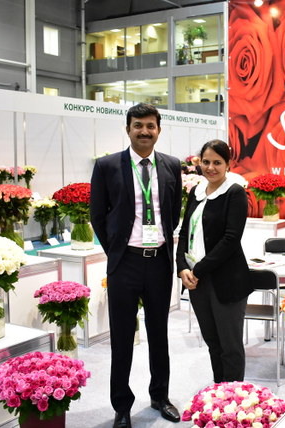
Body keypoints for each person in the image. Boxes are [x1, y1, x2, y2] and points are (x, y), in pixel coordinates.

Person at [90, 103, 182, 428]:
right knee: (122, 337)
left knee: (159, 334)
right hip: (125, 264)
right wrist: (116, 251)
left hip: (158, 263)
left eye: (150, 126)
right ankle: (122, 406)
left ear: (159, 130)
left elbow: (173, 212)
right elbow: (97, 215)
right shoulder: (107, 166)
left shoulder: (172, 165)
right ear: (128, 129)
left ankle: (160, 396)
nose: (144, 131)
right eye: (138, 125)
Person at [176, 139, 253, 382]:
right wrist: (181, 268)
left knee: (230, 346)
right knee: (212, 341)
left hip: (226, 280)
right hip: (196, 281)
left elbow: (231, 239)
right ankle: (219, 391)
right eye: (206, 162)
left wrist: (198, 269)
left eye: (217, 162)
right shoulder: (196, 192)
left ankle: (234, 397)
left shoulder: (234, 192)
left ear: (228, 164)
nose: (211, 168)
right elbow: (184, 232)